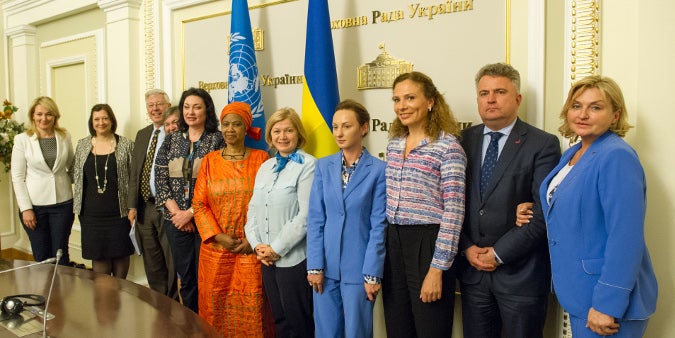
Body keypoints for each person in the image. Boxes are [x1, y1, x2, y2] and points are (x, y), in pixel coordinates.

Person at [516, 76, 657, 337]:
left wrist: (607, 305)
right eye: (576, 105)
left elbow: (626, 236)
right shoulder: (575, 152)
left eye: (596, 107)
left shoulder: (616, 156)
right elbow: (580, 207)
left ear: (615, 115)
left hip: (608, 303)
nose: (583, 114)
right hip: (582, 292)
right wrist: (536, 208)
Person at [457, 63, 561, 338]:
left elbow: (542, 213)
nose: (490, 99)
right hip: (473, 275)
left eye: (500, 91)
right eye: (484, 93)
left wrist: (498, 254)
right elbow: (451, 205)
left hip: (521, 277)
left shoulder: (543, 144)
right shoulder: (462, 141)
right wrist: (467, 249)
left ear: (517, 99)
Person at [382, 71, 466, 338]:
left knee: (431, 328)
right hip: (393, 243)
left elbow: (454, 211)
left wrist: (437, 269)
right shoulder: (394, 145)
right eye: (397, 99)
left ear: (430, 101)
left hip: (428, 244)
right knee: (397, 327)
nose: (401, 106)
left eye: (410, 97)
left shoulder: (448, 147)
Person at [306, 99, 387, 338]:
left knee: (356, 334)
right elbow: (315, 219)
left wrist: (372, 273)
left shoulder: (379, 170)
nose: (339, 133)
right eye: (335, 126)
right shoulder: (323, 166)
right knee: (326, 333)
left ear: (364, 128)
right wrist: (314, 265)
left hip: (359, 271)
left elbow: (378, 227)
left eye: (347, 126)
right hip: (324, 269)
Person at [192, 102, 274, 337]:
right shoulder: (209, 161)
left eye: (236, 124)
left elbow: (269, 202)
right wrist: (217, 236)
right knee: (214, 308)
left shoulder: (261, 158)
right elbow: (199, 204)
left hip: (252, 250)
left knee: (255, 307)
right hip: (216, 250)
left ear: (246, 127)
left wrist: (253, 238)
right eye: (225, 124)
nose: (230, 129)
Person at [245, 107, 316, 338]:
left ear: (298, 134)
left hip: (293, 260)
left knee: (299, 322)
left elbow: (305, 216)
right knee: (279, 320)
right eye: (277, 131)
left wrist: (276, 249)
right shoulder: (265, 167)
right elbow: (252, 212)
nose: (282, 136)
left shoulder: (308, 165)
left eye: (288, 130)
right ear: (270, 136)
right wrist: (257, 246)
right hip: (266, 260)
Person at [155, 87, 224, 312]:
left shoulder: (217, 140)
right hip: (175, 222)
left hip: (205, 221)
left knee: (206, 277)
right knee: (186, 278)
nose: (190, 112)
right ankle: (192, 324)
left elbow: (218, 184)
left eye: (196, 107)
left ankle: (209, 324)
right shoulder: (172, 139)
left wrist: (191, 213)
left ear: (207, 110)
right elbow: (160, 176)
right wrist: (177, 214)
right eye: (186, 107)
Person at [11, 96, 75, 265]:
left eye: (49, 114)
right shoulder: (22, 140)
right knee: (42, 255)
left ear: (55, 116)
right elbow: (17, 177)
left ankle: (62, 291)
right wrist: (26, 209)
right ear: (33, 116)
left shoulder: (64, 136)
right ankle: (44, 291)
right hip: (35, 207)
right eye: (39, 114)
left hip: (63, 203)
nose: (44, 118)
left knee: (61, 253)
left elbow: (73, 167)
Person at [73, 104, 135, 278]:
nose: (101, 122)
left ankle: (120, 297)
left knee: (121, 255)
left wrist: (133, 207)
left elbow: (134, 179)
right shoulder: (83, 145)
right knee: (99, 260)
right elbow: (76, 175)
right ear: (92, 122)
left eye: (105, 118)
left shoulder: (126, 145)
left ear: (112, 120)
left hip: (120, 213)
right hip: (91, 215)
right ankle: (104, 302)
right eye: (97, 119)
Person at [127, 89, 178, 299]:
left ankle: (174, 303)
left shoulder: (176, 132)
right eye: (151, 105)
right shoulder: (142, 134)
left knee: (171, 259)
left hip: (169, 207)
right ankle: (159, 301)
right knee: (151, 258)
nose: (155, 109)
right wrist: (131, 205)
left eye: (159, 104)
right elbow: (135, 172)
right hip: (144, 207)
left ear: (168, 106)